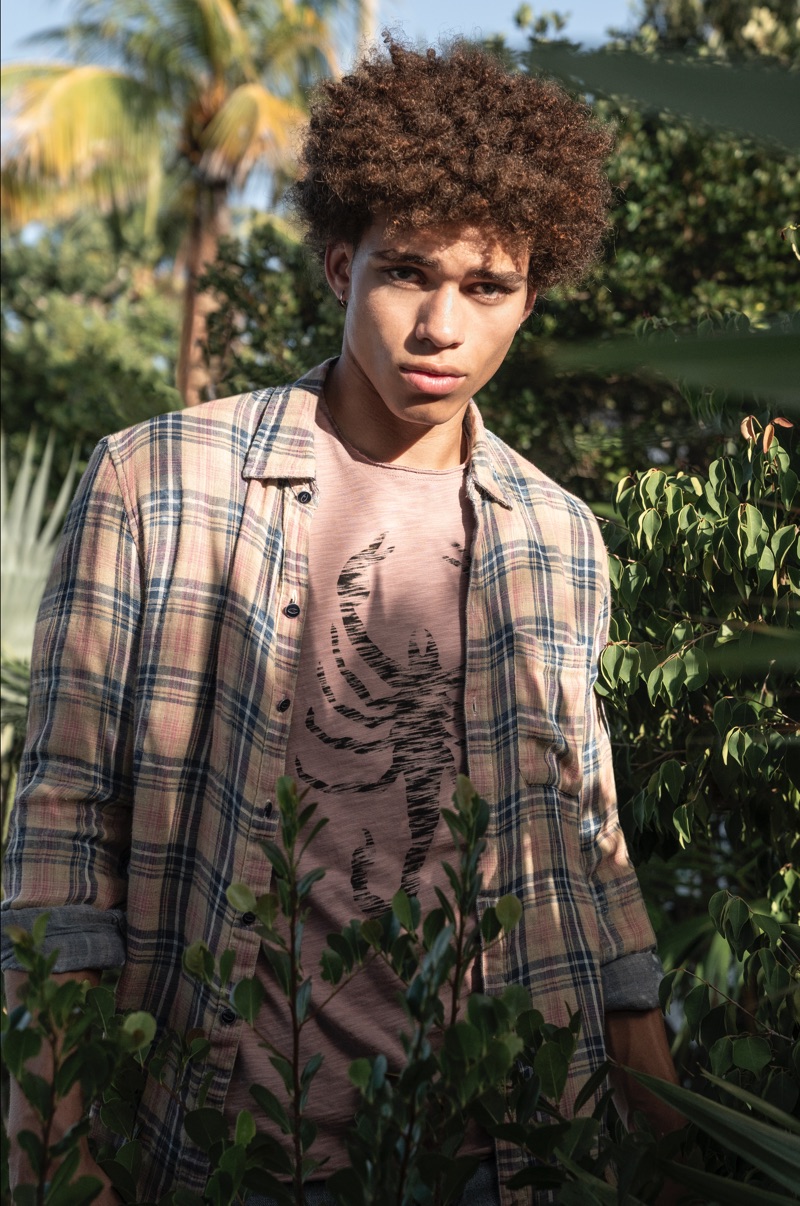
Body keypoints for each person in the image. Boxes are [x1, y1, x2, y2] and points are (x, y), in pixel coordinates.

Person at [2, 38, 682, 1206]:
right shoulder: (156, 483)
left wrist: (664, 1145)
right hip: (226, 1142)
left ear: (530, 295)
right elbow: (61, 834)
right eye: (405, 272)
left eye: (487, 287)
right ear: (338, 267)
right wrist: (54, 1153)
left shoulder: (556, 536)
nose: (440, 327)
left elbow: (587, 840)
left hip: (504, 1146)